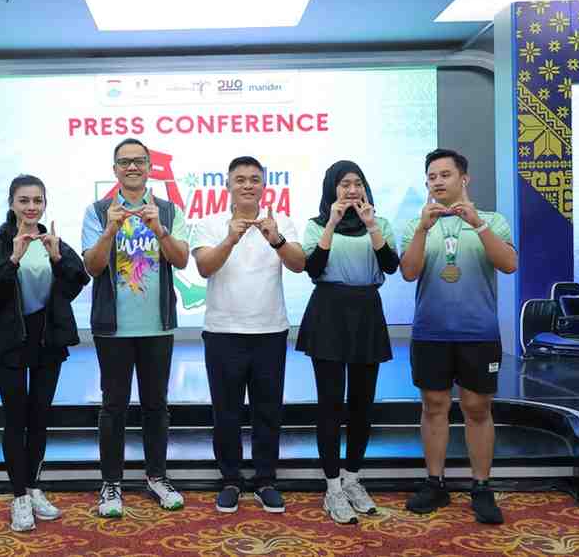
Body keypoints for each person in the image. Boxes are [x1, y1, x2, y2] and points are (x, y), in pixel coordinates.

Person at [401, 148, 517, 525]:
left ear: (463, 179)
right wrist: (421, 229)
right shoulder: (416, 223)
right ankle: (434, 482)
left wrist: (478, 226)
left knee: (477, 408)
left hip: (478, 332)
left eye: (445, 175)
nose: (437, 181)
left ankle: (481, 486)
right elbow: (408, 272)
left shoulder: (493, 220)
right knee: (434, 405)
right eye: (432, 176)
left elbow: (509, 264)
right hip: (431, 331)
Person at [81, 138, 190, 518]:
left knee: (156, 405)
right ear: (114, 170)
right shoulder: (97, 211)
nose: (132, 167)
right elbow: (91, 268)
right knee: (113, 406)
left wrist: (159, 229)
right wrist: (109, 231)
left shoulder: (170, 211)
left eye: (139, 161)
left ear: (149, 167)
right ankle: (111, 483)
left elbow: (181, 261)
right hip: (112, 328)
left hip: (157, 326)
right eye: (124, 162)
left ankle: (157, 477)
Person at [191, 156, 305, 514]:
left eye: (254, 179)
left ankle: (266, 480)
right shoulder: (209, 224)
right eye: (240, 179)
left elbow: (300, 264)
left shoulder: (280, 221)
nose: (247, 185)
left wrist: (276, 238)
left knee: (267, 410)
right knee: (225, 412)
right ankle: (229, 480)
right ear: (227, 185)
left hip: (270, 330)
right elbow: (205, 267)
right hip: (223, 332)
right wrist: (230, 238)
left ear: (264, 185)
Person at [0, 175, 89, 531]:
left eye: (37, 200)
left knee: (39, 417)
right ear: (11, 203)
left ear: (44, 204)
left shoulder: (52, 240)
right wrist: (13, 259)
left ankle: (34, 487)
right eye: (23, 200)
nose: (31, 207)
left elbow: (77, 282)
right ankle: (19, 496)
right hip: (9, 341)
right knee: (16, 417)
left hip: (47, 340)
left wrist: (56, 258)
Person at [296, 160, 400, 524]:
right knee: (330, 404)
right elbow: (312, 268)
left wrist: (371, 226)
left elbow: (390, 265)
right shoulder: (315, 225)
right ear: (332, 189)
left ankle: (353, 478)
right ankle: (332, 488)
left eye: (357, 183)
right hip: (328, 311)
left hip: (367, 311)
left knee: (362, 403)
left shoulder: (381, 223)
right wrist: (331, 224)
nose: (352, 190)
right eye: (344, 184)